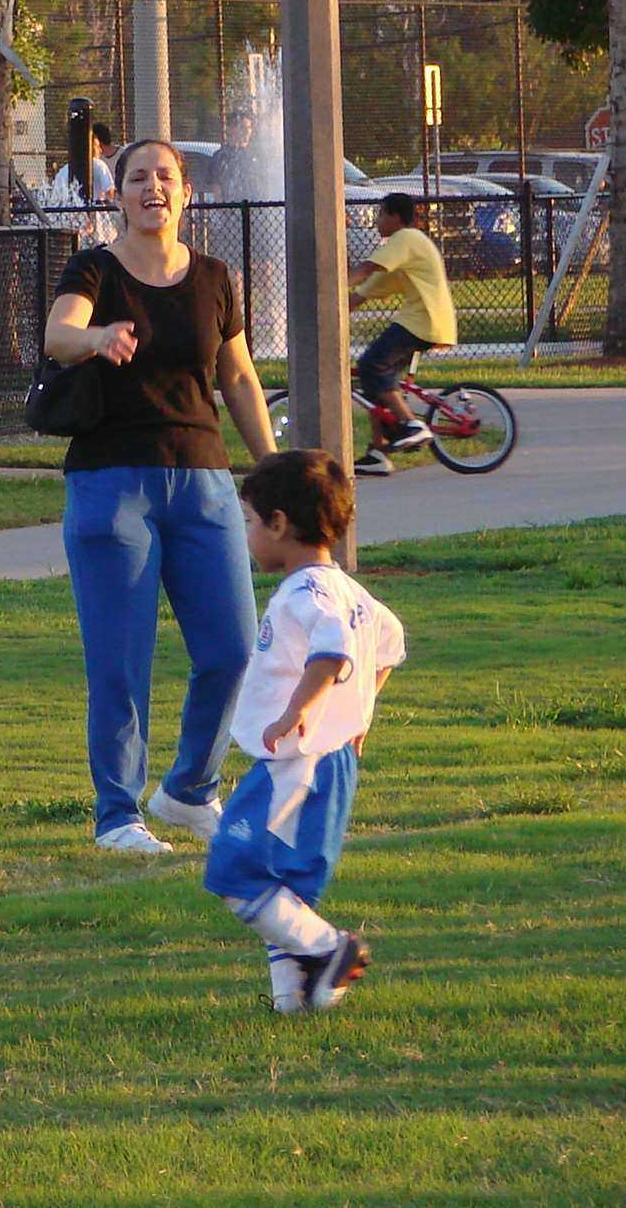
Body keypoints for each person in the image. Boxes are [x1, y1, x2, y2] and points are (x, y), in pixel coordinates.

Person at [43, 137, 276, 855]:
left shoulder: (212, 276)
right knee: (120, 662)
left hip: (203, 481)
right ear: (117, 197)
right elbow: (58, 335)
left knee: (235, 650)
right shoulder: (95, 267)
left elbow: (236, 378)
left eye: (165, 177)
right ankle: (118, 816)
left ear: (186, 194)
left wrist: (270, 470)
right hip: (112, 483)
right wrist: (97, 336)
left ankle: (187, 791)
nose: (153, 188)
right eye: (137, 178)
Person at [203, 452, 403, 1015]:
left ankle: (331, 949)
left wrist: (299, 707)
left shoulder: (306, 593)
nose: (247, 535)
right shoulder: (351, 591)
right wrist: (358, 711)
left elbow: (333, 648)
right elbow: (389, 645)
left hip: (298, 762)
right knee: (286, 890)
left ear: (279, 524)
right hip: (334, 761)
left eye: (249, 521)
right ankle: (294, 1000)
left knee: (234, 872)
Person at [347, 192, 456, 476]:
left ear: (396, 217)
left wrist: (331, 282)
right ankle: (378, 453)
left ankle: (411, 424)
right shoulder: (401, 253)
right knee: (373, 383)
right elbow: (364, 291)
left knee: (373, 364)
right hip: (425, 322)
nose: (377, 222)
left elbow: (367, 268)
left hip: (423, 321)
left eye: (380, 215)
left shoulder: (406, 239)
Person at [55, 122, 118, 204]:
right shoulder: (99, 165)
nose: (101, 150)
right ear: (93, 148)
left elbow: (57, 195)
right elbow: (109, 192)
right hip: (96, 211)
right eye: (98, 146)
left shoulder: (65, 170)